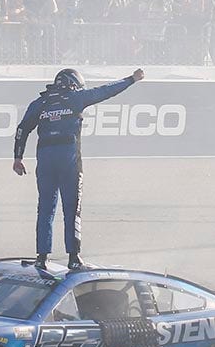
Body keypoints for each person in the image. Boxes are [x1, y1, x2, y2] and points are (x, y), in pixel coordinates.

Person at [12, 68, 145, 270]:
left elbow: (22, 129)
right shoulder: (75, 98)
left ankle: (42, 258)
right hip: (69, 160)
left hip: (45, 161)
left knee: (46, 209)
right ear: (73, 83)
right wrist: (131, 79)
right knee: (72, 209)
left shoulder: (40, 103)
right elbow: (105, 91)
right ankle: (74, 258)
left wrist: (18, 158)